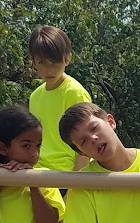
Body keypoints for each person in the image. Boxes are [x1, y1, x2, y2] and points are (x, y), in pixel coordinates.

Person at [26, 25, 92, 174]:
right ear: (33, 61)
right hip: (38, 174)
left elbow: (86, 144)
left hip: (67, 175)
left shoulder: (74, 92)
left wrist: (76, 185)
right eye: (42, 63)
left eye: (54, 63)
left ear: (67, 59)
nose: (48, 70)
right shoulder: (35, 96)